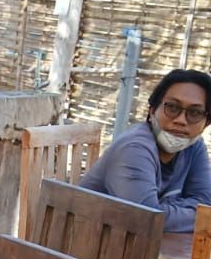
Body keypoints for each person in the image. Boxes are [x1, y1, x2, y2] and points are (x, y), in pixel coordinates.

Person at [81, 68, 211, 232]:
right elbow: (147, 219)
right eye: (172, 108)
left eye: (195, 113)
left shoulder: (194, 147)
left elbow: (206, 205)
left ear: (206, 123)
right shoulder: (134, 148)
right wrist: (186, 209)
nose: (181, 120)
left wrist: (163, 209)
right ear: (151, 111)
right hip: (87, 245)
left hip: (137, 244)